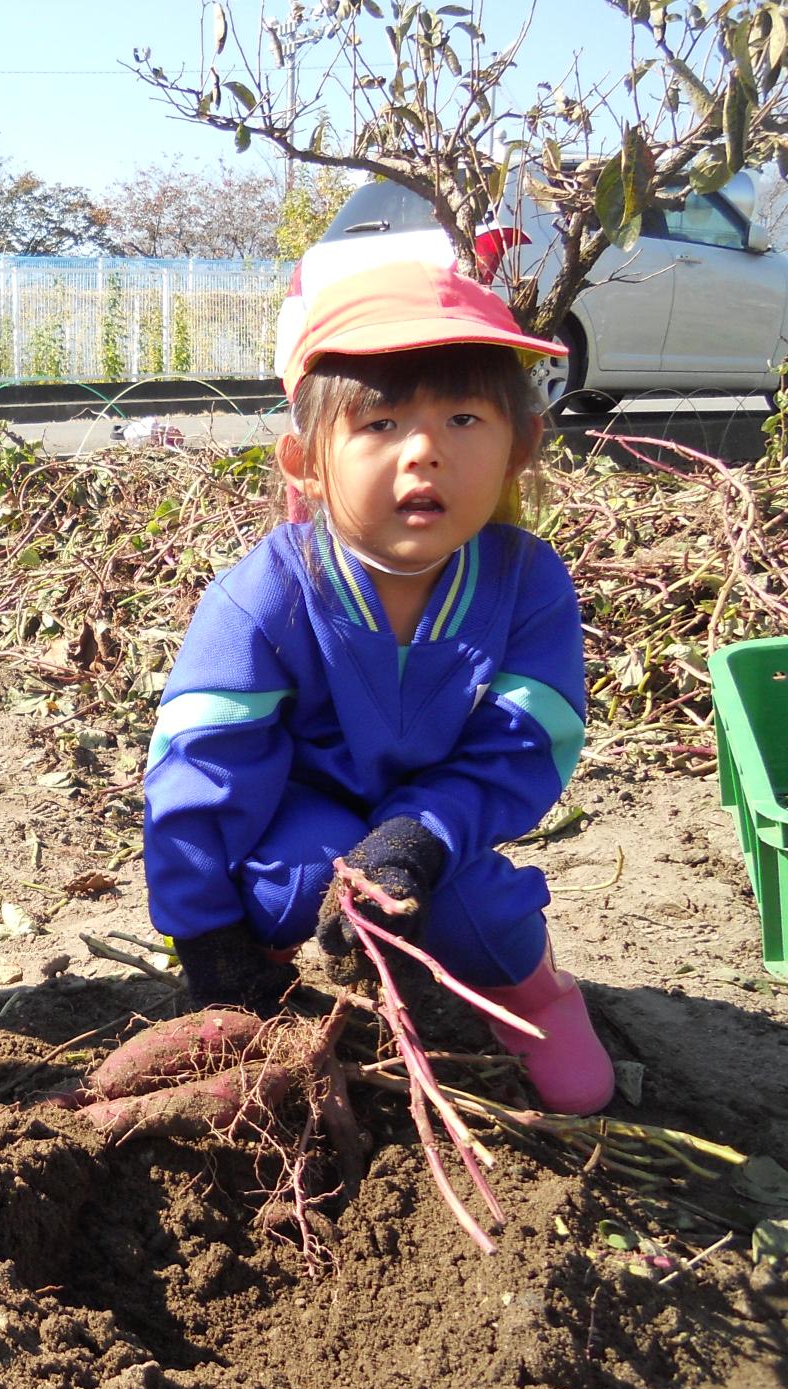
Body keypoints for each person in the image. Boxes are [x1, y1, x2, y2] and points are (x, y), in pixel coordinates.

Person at [142, 263, 615, 1116]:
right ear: (307, 461)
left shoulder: (527, 584)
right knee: (294, 888)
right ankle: (291, 997)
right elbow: (203, 770)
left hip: (443, 830)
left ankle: (537, 994)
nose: (425, 449)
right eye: (382, 422)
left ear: (522, 445)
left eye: (464, 418)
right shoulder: (266, 597)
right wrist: (207, 938)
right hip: (305, 820)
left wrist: (417, 838)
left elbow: (520, 748)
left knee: (476, 914)